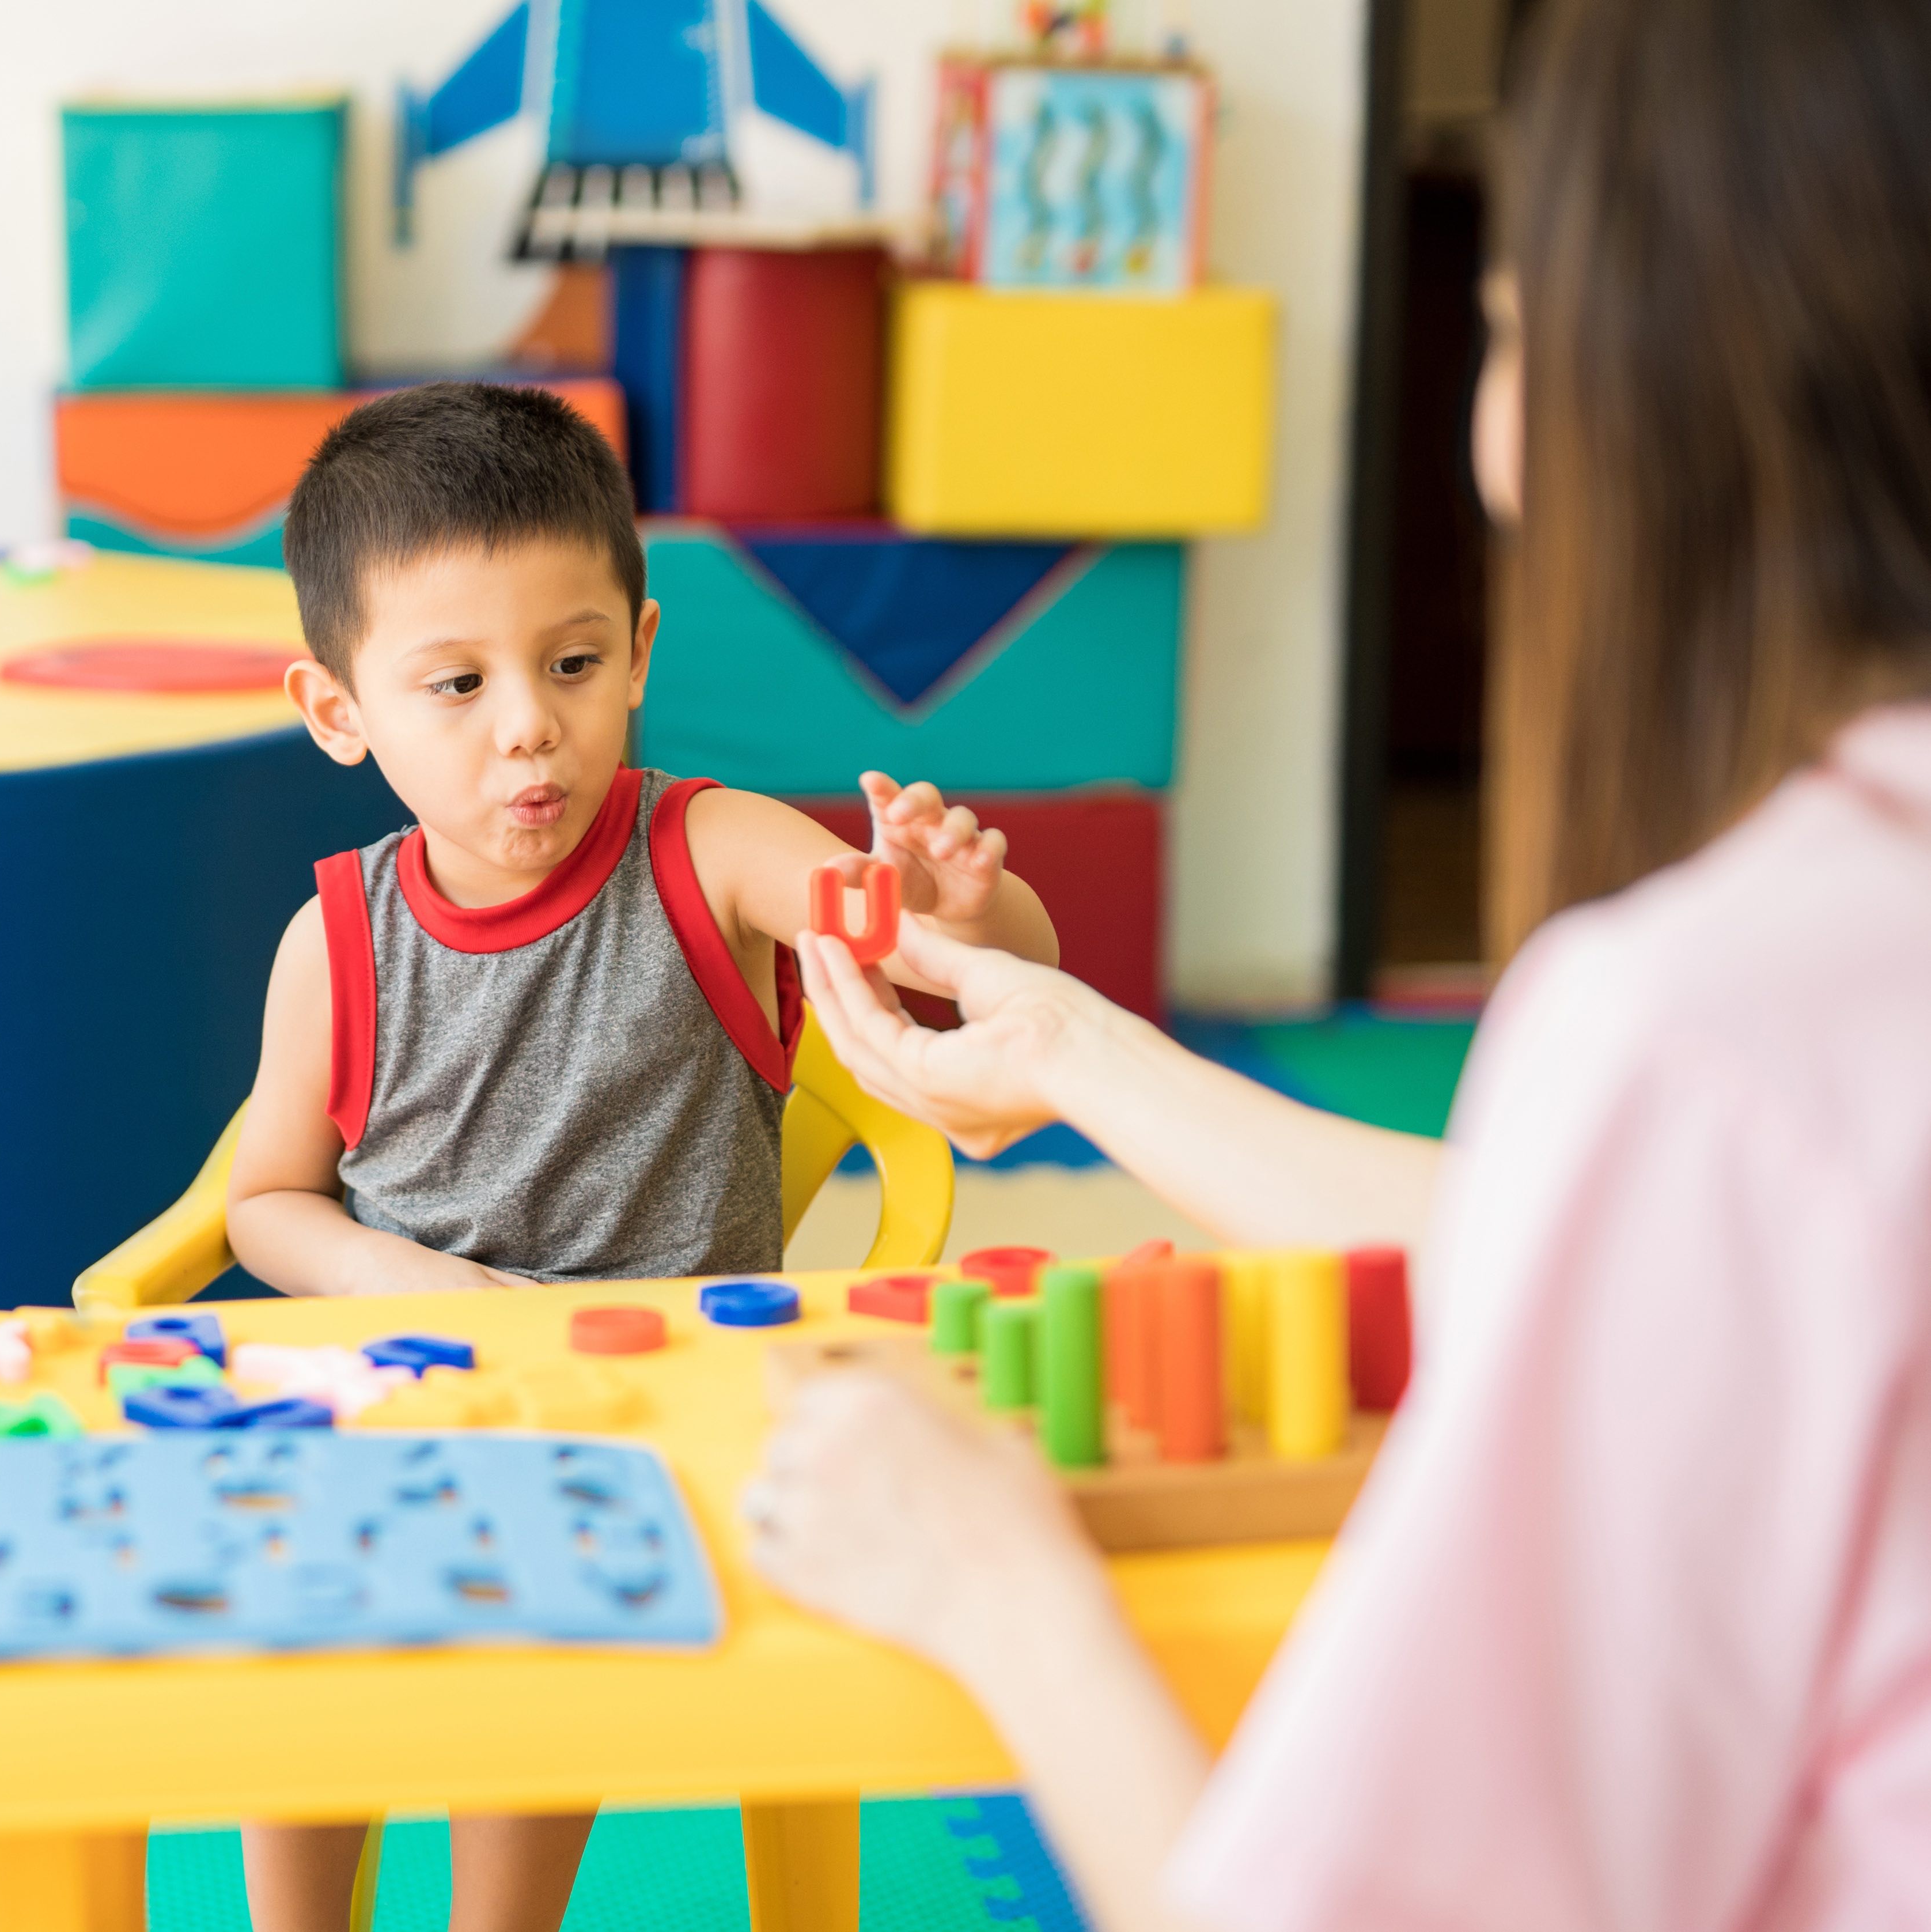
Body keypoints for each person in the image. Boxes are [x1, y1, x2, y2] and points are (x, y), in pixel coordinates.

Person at [742, 1, 1931, 1928]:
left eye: (1519, 330)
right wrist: (1067, 1042)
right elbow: (1568, 1226)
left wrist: (992, 1581)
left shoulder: (1705, 1031)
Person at [222, 381, 1061, 1932]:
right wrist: (390, 1271)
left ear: (641, 652)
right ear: (341, 710)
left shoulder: (710, 848)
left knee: (531, 1630)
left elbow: (929, 950)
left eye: (572, 663)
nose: (530, 723)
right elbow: (264, 1200)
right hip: (412, 1366)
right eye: (456, 683)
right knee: (296, 1602)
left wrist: (952, 902)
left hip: (657, 1407)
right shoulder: (334, 937)